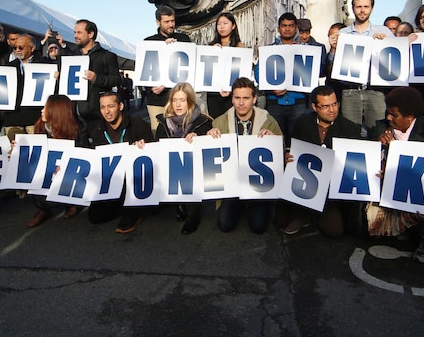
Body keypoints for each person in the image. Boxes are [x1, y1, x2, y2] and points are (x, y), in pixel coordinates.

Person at [368, 87, 424, 262]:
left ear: (410, 117)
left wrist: (396, 148)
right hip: (386, 187)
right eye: (388, 113)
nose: (388, 118)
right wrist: (379, 149)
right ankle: (401, 228)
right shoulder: (380, 128)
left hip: (418, 186)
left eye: (394, 115)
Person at [283, 85, 363, 237]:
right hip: (306, 184)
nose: (332, 110)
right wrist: (289, 157)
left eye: (334, 104)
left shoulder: (350, 129)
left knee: (335, 231)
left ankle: (319, 213)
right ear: (314, 107)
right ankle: (305, 214)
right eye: (325, 106)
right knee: (280, 220)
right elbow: (293, 148)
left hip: (332, 189)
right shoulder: (302, 123)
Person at [207, 77, 282, 233]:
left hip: (257, 184)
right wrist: (210, 137)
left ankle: (257, 204)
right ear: (232, 99)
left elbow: (281, 151)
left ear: (254, 99)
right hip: (231, 183)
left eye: (246, 98)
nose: (241, 103)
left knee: (259, 227)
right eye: (237, 98)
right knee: (225, 225)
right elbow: (211, 158)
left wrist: (273, 140)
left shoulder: (268, 120)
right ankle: (238, 204)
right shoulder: (220, 122)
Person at [87, 92, 154, 233]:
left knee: (142, 210)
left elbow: (153, 157)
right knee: (94, 217)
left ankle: (134, 210)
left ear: (121, 106)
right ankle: (120, 204)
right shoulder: (97, 130)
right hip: (112, 179)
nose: (106, 111)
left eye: (111, 106)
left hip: (134, 179)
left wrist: (143, 147)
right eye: (103, 107)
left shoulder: (139, 125)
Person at [154, 82, 213, 234]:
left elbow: (210, 149)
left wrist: (199, 137)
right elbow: (156, 148)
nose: (178, 104)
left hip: (195, 170)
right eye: (175, 100)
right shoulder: (163, 123)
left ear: (190, 101)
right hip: (172, 170)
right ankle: (178, 204)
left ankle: (194, 214)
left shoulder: (203, 122)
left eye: (182, 100)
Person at [25, 95, 88, 227]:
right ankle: (43, 208)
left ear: (56, 112)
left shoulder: (80, 129)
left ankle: (71, 203)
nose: (41, 111)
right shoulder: (41, 127)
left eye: (45, 108)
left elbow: (84, 156)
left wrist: (65, 166)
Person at [337, 0, 391, 130]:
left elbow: (393, 62)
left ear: (372, 8)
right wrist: (332, 50)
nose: (362, 10)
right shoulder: (343, 34)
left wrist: (386, 43)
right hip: (350, 91)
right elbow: (333, 65)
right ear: (353, 8)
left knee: (378, 132)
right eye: (358, 6)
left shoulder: (384, 32)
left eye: (366, 6)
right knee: (350, 133)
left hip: (375, 91)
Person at [263, 12, 310, 146]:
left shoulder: (305, 50)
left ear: (296, 28)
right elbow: (259, 73)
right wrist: (272, 89)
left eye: (290, 26)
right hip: (275, 102)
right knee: (275, 141)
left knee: (298, 141)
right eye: (284, 26)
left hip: (298, 102)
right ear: (278, 28)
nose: (287, 29)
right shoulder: (269, 50)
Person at [143, 6, 193, 131]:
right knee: (158, 133)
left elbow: (192, 66)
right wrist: (151, 88)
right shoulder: (148, 42)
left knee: (183, 133)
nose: (171, 25)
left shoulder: (184, 40)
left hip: (181, 100)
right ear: (158, 22)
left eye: (173, 21)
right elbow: (142, 71)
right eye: (166, 22)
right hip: (157, 100)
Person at [71, 19, 121, 129]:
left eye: (79, 32)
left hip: (96, 114)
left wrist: (96, 78)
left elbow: (116, 79)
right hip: (74, 114)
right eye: (74, 32)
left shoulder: (107, 56)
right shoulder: (71, 56)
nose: (75, 35)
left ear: (91, 34)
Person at [205, 12, 245, 119]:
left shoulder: (240, 46)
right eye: (219, 24)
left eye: (225, 23)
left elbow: (241, 72)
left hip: (233, 93)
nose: (222, 26)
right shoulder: (211, 46)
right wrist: (212, 52)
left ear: (233, 26)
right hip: (214, 95)